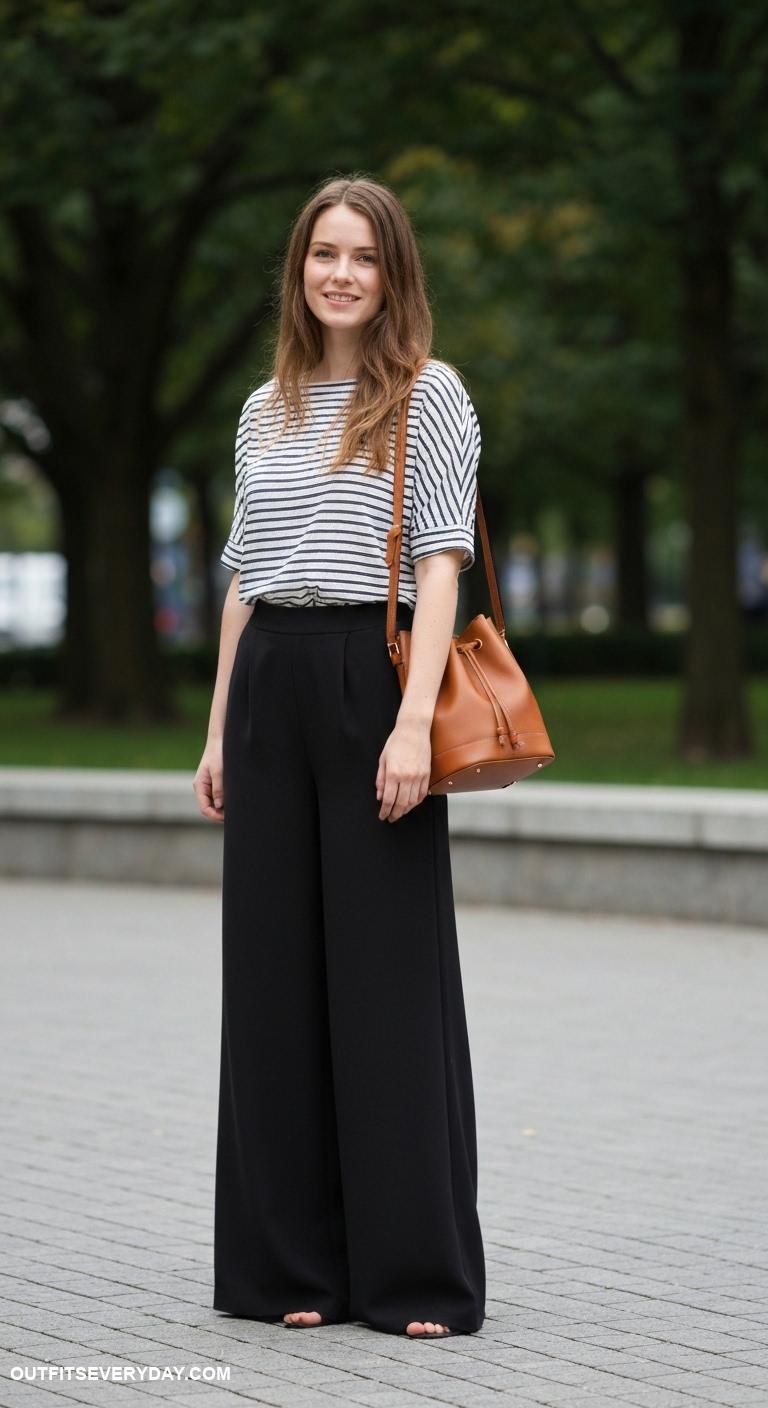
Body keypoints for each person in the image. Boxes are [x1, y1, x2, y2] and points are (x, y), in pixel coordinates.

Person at [193, 174, 486, 1341]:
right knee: (271, 981)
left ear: (393, 271)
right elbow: (241, 581)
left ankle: (413, 1274)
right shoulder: (263, 407)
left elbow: (441, 567)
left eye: (365, 255)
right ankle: (288, 1265)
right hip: (270, 677)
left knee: (386, 984)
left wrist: (412, 720)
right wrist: (218, 726)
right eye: (325, 253)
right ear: (300, 269)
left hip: (374, 677)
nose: (343, 273)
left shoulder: (430, 397)